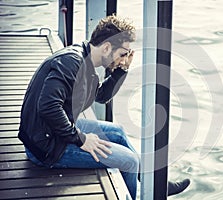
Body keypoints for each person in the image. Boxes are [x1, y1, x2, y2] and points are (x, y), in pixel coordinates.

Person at [18, 15, 190, 199]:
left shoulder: (86, 60)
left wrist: (121, 71)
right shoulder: (71, 63)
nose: (124, 59)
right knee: (129, 161)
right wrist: (81, 139)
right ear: (107, 47)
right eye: (123, 54)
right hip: (46, 147)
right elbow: (48, 106)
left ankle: (154, 184)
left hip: (55, 130)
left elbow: (101, 96)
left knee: (117, 131)